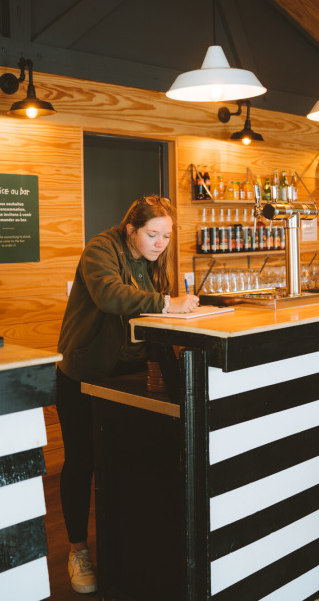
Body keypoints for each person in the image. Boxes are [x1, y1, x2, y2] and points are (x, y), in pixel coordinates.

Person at [56, 194, 199, 594]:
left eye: (167, 236)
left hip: (130, 374)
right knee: (82, 461)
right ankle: (77, 549)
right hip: (84, 373)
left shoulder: (156, 261)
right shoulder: (101, 249)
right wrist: (167, 303)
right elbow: (110, 295)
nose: (160, 244)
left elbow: (154, 318)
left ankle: (126, 546)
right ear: (130, 229)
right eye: (152, 234)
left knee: (129, 461)